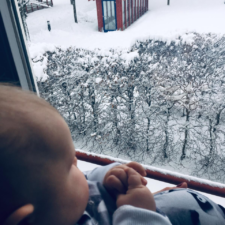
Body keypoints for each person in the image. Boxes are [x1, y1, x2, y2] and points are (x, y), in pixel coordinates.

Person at [0, 85, 224, 225]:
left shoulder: (57, 206)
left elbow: (85, 181)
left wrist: (110, 174)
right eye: (71, 166)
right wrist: (140, 214)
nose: (79, 165)